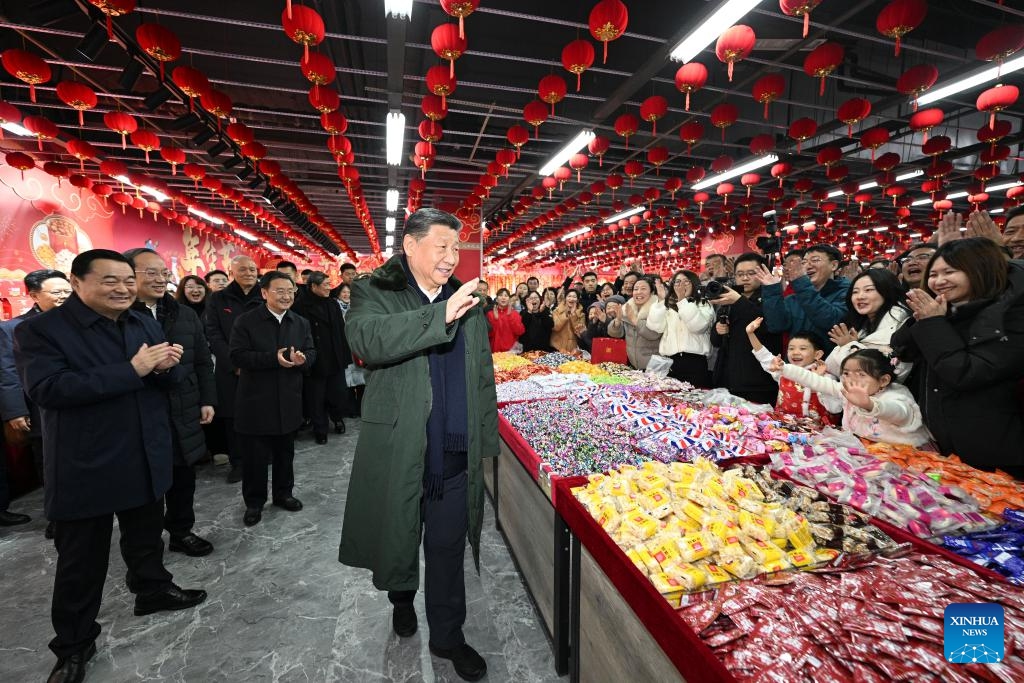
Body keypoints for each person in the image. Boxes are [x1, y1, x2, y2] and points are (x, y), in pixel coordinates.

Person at [15, 250, 206, 683]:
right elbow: (47, 389)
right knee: (81, 561)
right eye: (109, 281)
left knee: (145, 536)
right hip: (88, 462)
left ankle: (152, 590)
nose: (121, 288)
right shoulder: (42, 331)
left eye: (126, 280)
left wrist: (167, 367)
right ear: (78, 282)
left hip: (144, 451)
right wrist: (133, 369)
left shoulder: (141, 321)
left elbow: (164, 383)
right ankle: (74, 645)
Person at [339, 207, 497, 682]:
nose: (451, 258)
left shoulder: (464, 299)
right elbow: (370, 339)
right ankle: (401, 598)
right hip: (401, 444)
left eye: (456, 248)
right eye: (441, 247)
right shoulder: (376, 290)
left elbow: (481, 373)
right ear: (410, 245)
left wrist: (482, 439)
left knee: (447, 547)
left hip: (451, 450)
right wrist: (439, 313)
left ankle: (448, 636)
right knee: (399, 534)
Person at [892, 237, 1024, 476]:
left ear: (980, 270)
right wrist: (924, 317)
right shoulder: (947, 311)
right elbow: (903, 349)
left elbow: (966, 373)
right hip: (949, 448)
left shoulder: (1009, 317)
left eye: (950, 272)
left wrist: (933, 323)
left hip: (999, 454)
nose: (939, 281)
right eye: (933, 274)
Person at [125, 248, 216, 557]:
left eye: (163, 273)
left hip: (185, 407)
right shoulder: (119, 318)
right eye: (150, 273)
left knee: (183, 477)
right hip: (141, 412)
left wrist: (207, 399)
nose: (160, 279)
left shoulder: (184, 313)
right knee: (146, 485)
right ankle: (147, 549)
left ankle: (181, 531)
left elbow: (203, 361)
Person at [230, 271, 315, 526]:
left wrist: (304, 360)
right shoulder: (246, 321)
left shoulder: (300, 322)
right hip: (256, 402)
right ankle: (254, 503)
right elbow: (236, 356)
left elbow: (311, 352)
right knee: (255, 459)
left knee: (285, 455)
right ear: (264, 293)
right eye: (279, 291)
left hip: (289, 400)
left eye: (290, 291)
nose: (286, 296)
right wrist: (272, 359)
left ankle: (283, 494)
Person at [0, 269, 70, 531]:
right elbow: (7, 373)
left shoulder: (79, 323)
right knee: (48, 461)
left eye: (68, 291)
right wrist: (15, 412)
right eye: (56, 292)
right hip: (38, 407)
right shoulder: (12, 328)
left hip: (76, 403)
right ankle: (57, 518)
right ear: (34, 295)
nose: (64, 297)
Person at [776, 349, 932, 447]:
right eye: (846, 373)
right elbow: (816, 381)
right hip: (863, 449)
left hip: (902, 456)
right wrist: (785, 368)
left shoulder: (894, 395)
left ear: (883, 380)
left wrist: (870, 405)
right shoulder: (847, 389)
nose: (851, 379)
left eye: (861, 374)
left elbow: (900, 413)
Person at [204, 255, 262, 483]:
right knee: (233, 417)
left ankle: (262, 457)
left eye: (252, 269)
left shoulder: (264, 294)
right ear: (231, 273)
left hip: (261, 366)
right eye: (243, 269)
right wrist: (234, 362)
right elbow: (214, 333)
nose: (249, 273)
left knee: (261, 413)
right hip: (230, 369)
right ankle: (238, 462)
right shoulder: (219, 298)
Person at [709, 252, 782, 406]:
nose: (745, 278)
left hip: (757, 381)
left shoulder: (770, 297)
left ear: (762, 273)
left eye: (751, 273)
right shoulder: (729, 298)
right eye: (740, 274)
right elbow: (715, 341)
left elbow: (769, 327)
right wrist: (718, 330)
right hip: (727, 378)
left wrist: (739, 301)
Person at [757, 244, 851, 351]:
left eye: (815, 260)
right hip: (796, 364)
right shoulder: (794, 298)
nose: (808, 266)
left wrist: (801, 283)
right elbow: (777, 326)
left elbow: (831, 321)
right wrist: (772, 290)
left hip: (827, 364)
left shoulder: (846, 293)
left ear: (834, 265)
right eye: (804, 262)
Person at [293, 271, 350, 444]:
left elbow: (341, 330)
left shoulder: (332, 304)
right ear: (313, 286)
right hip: (314, 357)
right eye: (325, 285)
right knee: (316, 397)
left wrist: (345, 354)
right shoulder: (300, 306)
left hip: (334, 355)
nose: (328, 288)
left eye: (328, 284)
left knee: (337, 393)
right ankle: (320, 429)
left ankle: (337, 418)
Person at [747, 318, 839, 423]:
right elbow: (765, 357)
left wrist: (819, 381)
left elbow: (835, 409)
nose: (795, 352)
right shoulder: (783, 371)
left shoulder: (827, 377)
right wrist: (751, 334)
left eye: (803, 348)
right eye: (791, 348)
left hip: (819, 434)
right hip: (784, 430)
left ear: (817, 354)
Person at [825, 269, 911, 379]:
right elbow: (831, 368)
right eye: (855, 292)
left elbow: (891, 374)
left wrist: (851, 346)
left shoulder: (903, 325)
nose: (860, 296)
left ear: (887, 291)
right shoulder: (858, 324)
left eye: (868, 290)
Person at [647, 270, 714, 386]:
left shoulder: (703, 303)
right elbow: (655, 326)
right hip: (670, 362)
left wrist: (682, 300)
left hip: (695, 362)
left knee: (694, 400)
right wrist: (662, 301)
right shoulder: (668, 305)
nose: (681, 285)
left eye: (686, 281)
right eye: (677, 282)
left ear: (694, 283)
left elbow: (698, 327)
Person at [608, 276, 662, 370]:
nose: (638, 292)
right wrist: (618, 320)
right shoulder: (627, 308)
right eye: (636, 289)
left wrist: (634, 320)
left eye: (643, 289)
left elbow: (653, 334)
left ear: (652, 292)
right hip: (634, 365)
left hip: (655, 366)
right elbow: (615, 334)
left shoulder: (658, 310)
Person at [486, 288, 525, 352]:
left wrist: (510, 316)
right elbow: (489, 334)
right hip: (495, 351)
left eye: (506, 296)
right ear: (497, 299)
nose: (503, 298)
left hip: (511, 351)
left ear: (509, 299)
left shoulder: (515, 314)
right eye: (501, 295)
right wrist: (496, 319)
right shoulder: (490, 314)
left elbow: (520, 331)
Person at [551, 289, 586, 355]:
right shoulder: (556, 311)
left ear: (578, 300)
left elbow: (579, 332)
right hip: (557, 347)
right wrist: (565, 315)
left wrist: (573, 315)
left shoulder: (581, 314)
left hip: (573, 349)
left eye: (574, 297)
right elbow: (556, 327)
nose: (571, 299)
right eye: (569, 296)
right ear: (565, 298)